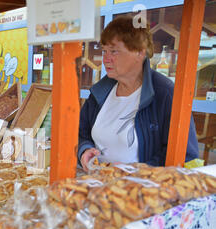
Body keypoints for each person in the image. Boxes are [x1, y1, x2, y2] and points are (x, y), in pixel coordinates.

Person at [78, 16, 199, 171]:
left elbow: (185, 154)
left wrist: (135, 172)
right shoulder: (100, 92)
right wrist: (84, 150)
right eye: (104, 51)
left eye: (114, 51)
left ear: (140, 53)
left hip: (142, 191)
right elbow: (80, 133)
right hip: (99, 189)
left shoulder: (165, 93)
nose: (106, 59)